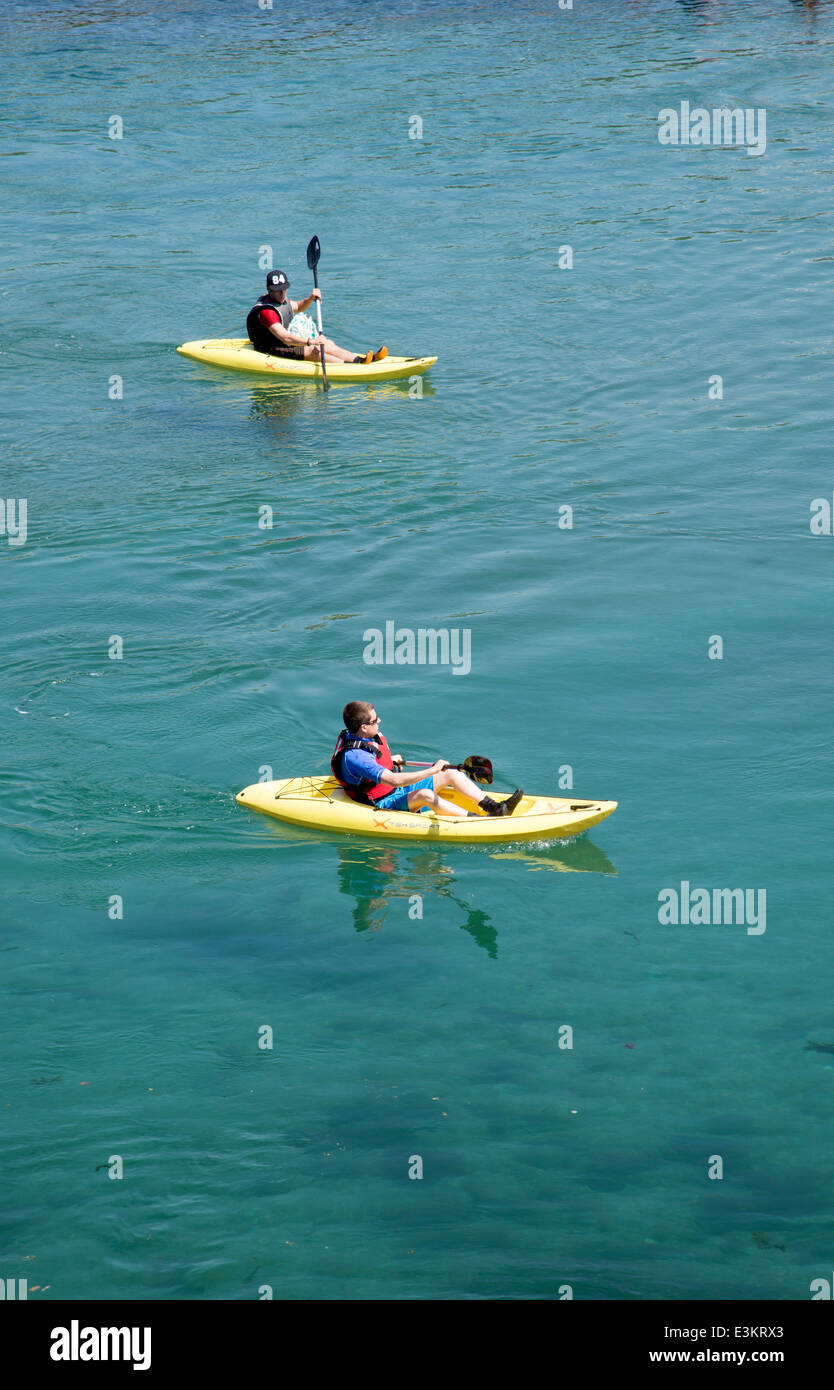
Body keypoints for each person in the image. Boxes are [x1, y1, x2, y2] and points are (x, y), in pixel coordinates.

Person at [331, 702, 523, 818]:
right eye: (375, 720)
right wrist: (432, 770)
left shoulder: (363, 735)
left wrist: (390, 761)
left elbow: (377, 759)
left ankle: (496, 808)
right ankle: (475, 821)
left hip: (394, 790)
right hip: (380, 802)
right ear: (363, 727)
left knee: (450, 772)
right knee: (426, 795)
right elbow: (393, 780)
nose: (379, 721)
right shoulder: (355, 757)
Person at [246, 270, 387, 365]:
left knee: (327, 344)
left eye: (284, 289)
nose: (282, 293)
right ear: (269, 290)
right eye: (277, 291)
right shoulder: (267, 312)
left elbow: (299, 307)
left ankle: (361, 360)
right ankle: (351, 368)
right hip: (270, 348)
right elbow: (285, 338)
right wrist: (311, 341)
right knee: (314, 351)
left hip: (282, 343)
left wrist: (311, 298)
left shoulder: (282, 301)